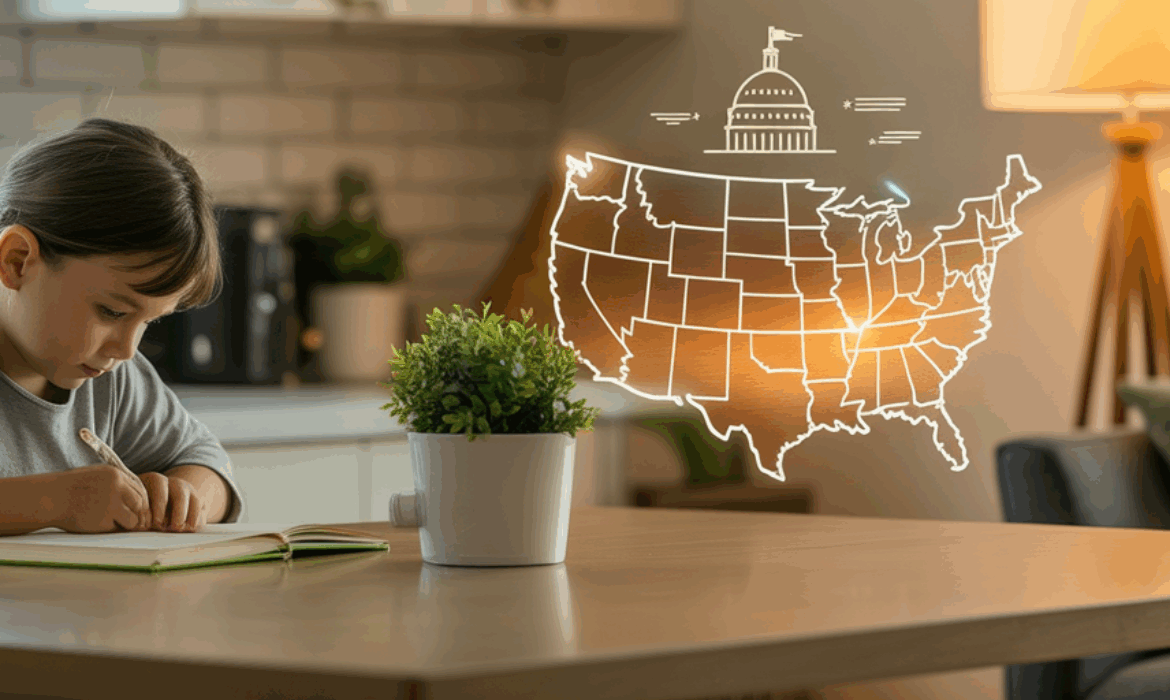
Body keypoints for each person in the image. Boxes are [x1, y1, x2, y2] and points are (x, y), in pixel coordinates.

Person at [0, 117, 245, 536]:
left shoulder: (108, 379)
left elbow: (208, 459)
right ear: (17, 261)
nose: (127, 349)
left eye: (149, 322)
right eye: (112, 312)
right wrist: (55, 501)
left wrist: (184, 496)